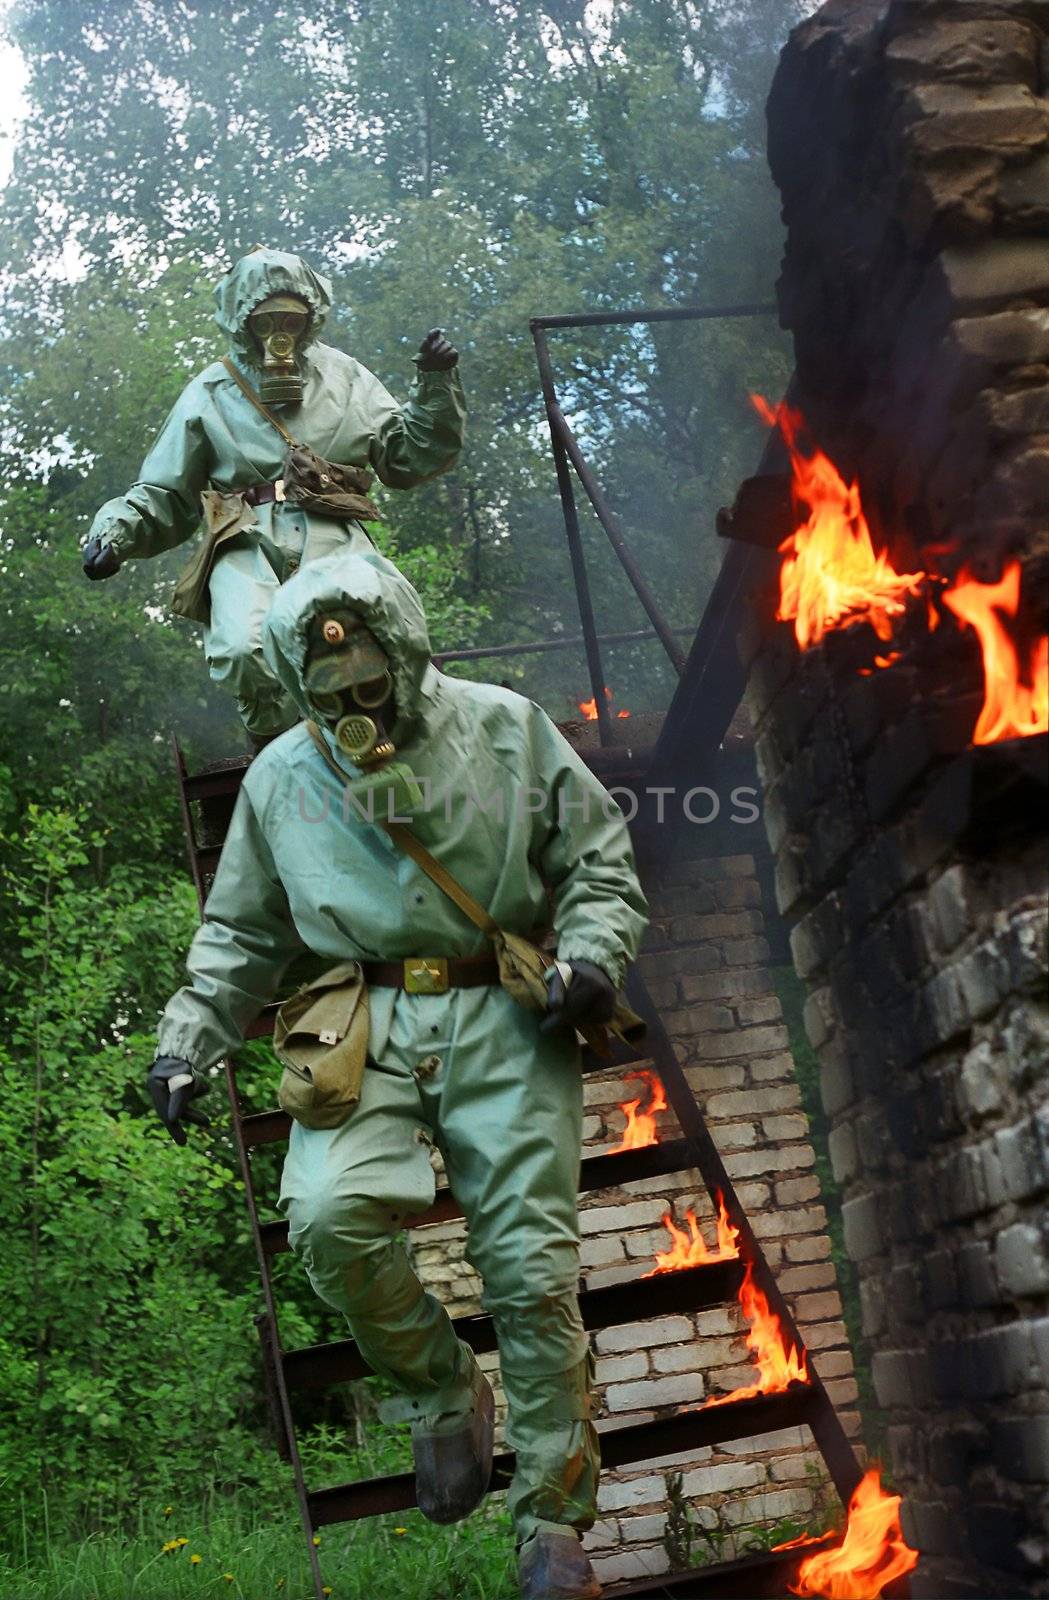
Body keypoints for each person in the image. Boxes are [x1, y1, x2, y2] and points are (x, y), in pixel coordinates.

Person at [147, 550, 649, 1600]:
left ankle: (552, 1524)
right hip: (358, 1015)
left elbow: (596, 854)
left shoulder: (505, 726)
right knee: (325, 1216)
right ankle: (438, 1387)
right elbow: (238, 933)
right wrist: (186, 1038)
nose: (353, 705)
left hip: (502, 1010)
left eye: (370, 683)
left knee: (527, 1271)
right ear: (298, 683)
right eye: (329, 693)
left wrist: (593, 951)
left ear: (407, 657)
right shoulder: (284, 777)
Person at [82, 247, 465, 741]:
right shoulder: (212, 391)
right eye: (265, 321)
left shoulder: (344, 378)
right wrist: (115, 535)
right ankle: (278, 754)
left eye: (290, 317)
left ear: (311, 315)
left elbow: (407, 455)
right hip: (243, 540)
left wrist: (435, 384)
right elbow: (164, 492)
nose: (278, 332)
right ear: (242, 320)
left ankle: (393, 733)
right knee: (244, 647)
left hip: (331, 531)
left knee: (385, 624)